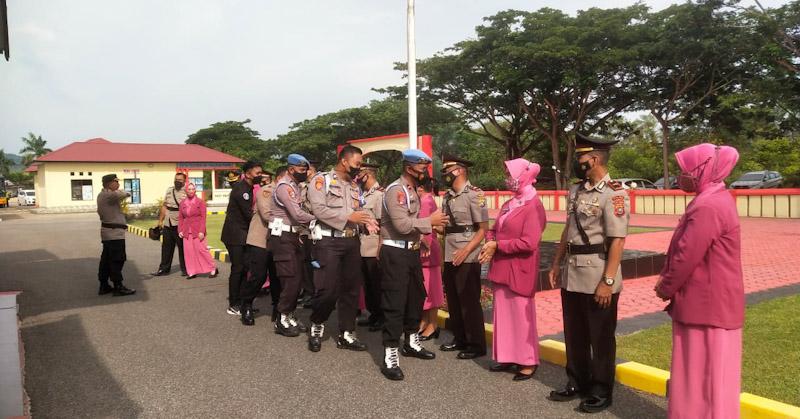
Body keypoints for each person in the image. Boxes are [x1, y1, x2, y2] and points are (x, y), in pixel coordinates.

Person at [655, 144, 743, 419]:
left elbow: (686, 255)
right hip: (711, 303)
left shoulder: (708, 206)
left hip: (705, 304)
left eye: (687, 169)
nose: (683, 175)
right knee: (712, 374)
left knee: (700, 373)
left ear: (704, 169)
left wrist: (665, 285)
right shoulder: (715, 198)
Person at [547, 133, 629, 414]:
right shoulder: (576, 190)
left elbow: (617, 240)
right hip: (572, 272)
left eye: (580, 157)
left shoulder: (615, 193)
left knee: (601, 337)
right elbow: (568, 230)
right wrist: (556, 263)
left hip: (597, 273)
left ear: (593, 159)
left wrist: (607, 281)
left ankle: (601, 390)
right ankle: (576, 382)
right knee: (575, 333)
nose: (577, 162)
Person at [378, 149, 449, 381]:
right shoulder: (396, 191)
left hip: (411, 252)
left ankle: (410, 341)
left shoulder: (411, 191)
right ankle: (390, 353)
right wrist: (430, 222)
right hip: (395, 253)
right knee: (395, 303)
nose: (425, 172)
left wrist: (421, 240)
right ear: (409, 168)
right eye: (422, 168)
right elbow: (401, 225)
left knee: (416, 297)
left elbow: (412, 227)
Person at [305, 145, 378, 353]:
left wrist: (367, 222)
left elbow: (361, 210)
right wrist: (348, 217)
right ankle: (317, 323)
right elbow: (318, 210)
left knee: (351, 290)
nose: (359, 168)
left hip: (352, 241)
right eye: (357, 163)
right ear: (344, 161)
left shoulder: (355, 186)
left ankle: (347, 333)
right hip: (328, 241)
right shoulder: (322, 180)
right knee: (328, 290)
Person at [479, 159, 546, 381]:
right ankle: (506, 356)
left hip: (519, 269)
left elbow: (530, 242)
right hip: (502, 267)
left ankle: (527, 361)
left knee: (521, 316)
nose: (508, 179)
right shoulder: (510, 203)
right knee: (504, 316)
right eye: (507, 174)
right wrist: (490, 239)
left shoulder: (533, 205)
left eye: (511, 174)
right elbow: (496, 228)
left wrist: (499, 245)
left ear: (525, 176)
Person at [439, 154, 490, 359]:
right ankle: (459, 338)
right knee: (453, 298)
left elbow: (483, 229)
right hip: (450, 252)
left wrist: (466, 250)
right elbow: (446, 227)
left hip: (467, 254)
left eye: (447, 170)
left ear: (459, 170)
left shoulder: (474, 194)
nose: (444, 174)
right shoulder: (447, 196)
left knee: (469, 299)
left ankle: (476, 344)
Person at [268, 155, 316, 336]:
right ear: (291, 169)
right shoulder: (284, 187)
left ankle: (288, 314)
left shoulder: (294, 186)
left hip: (292, 235)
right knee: (291, 279)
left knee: (297, 278)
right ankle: (282, 318)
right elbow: (297, 214)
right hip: (283, 237)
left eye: (305, 170)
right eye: (302, 170)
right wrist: (320, 219)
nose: (304, 173)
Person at [221, 161, 263, 316]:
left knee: (246, 268)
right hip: (235, 235)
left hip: (243, 234)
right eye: (257, 173)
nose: (260, 176)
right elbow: (248, 214)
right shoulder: (241, 190)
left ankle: (244, 302)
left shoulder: (249, 188)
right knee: (238, 269)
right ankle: (234, 303)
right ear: (248, 174)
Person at [239, 172, 276, 326]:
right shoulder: (267, 191)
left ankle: (279, 309)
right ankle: (246, 304)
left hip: (279, 241)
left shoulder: (293, 192)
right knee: (258, 276)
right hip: (260, 239)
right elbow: (267, 215)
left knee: (278, 277)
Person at [356, 162, 385, 332]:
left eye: (360, 174)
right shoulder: (363, 194)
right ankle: (373, 313)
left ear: (368, 174)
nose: (357, 177)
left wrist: (381, 246)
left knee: (376, 283)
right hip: (362, 244)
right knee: (366, 283)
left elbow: (382, 223)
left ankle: (381, 317)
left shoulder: (379, 195)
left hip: (373, 244)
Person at [96, 173, 135, 297]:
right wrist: (124, 191)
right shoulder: (108, 195)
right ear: (109, 183)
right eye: (116, 182)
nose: (118, 184)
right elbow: (124, 194)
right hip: (114, 234)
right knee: (117, 260)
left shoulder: (104, 195)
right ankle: (118, 286)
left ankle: (104, 285)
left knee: (106, 260)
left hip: (110, 233)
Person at [417, 180, 443, 341]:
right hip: (427, 249)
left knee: (431, 290)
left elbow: (425, 226)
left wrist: (424, 244)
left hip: (427, 250)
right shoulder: (426, 200)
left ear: (420, 187)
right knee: (425, 289)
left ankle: (432, 324)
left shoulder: (426, 201)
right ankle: (425, 321)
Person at [178, 183, 219, 279]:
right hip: (186, 230)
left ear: (195, 190)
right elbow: (180, 218)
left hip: (198, 230)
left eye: (193, 189)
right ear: (186, 191)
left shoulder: (200, 202)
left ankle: (212, 268)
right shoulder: (182, 203)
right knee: (189, 252)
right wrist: (180, 230)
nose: (191, 191)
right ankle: (192, 271)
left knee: (202, 250)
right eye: (189, 189)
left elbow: (203, 218)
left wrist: (201, 231)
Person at [152, 172, 188, 276]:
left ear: (184, 181)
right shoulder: (169, 190)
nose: (177, 181)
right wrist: (160, 221)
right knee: (166, 247)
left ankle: (186, 269)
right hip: (168, 222)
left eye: (180, 180)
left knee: (182, 247)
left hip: (180, 223)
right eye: (176, 179)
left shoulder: (187, 191)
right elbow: (164, 206)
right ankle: (163, 269)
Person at [297, 159, 320, 309]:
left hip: (317, 229)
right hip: (305, 229)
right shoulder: (301, 186)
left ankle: (318, 293)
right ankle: (309, 292)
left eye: (307, 170)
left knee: (316, 262)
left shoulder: (319, 186)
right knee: (305, 262)